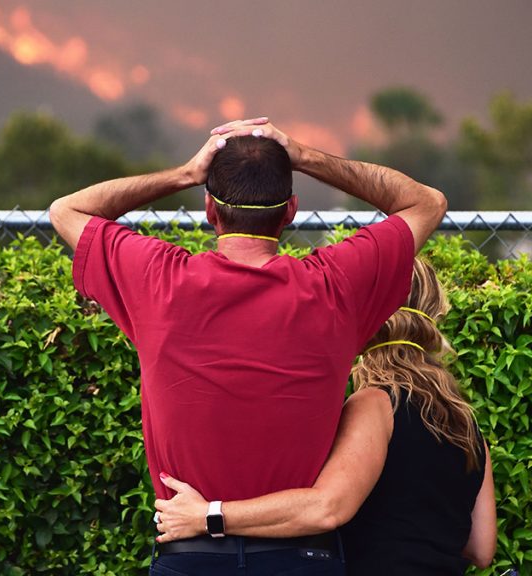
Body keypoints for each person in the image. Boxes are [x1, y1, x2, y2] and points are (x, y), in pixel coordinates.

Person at [49, 117, 447, 575]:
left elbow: (66, 211)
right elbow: (426, 202)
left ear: (209, 211)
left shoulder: (158, 278)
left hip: (192, 558)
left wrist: (184, 173)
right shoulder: (336, 284)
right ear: (291, 210)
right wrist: (306, 156)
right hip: (301, 559)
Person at [154, 258, 497, 575]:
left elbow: (327, 508)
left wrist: (209, 516)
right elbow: (481, 549)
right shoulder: (467, 426)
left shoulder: (376, 404)